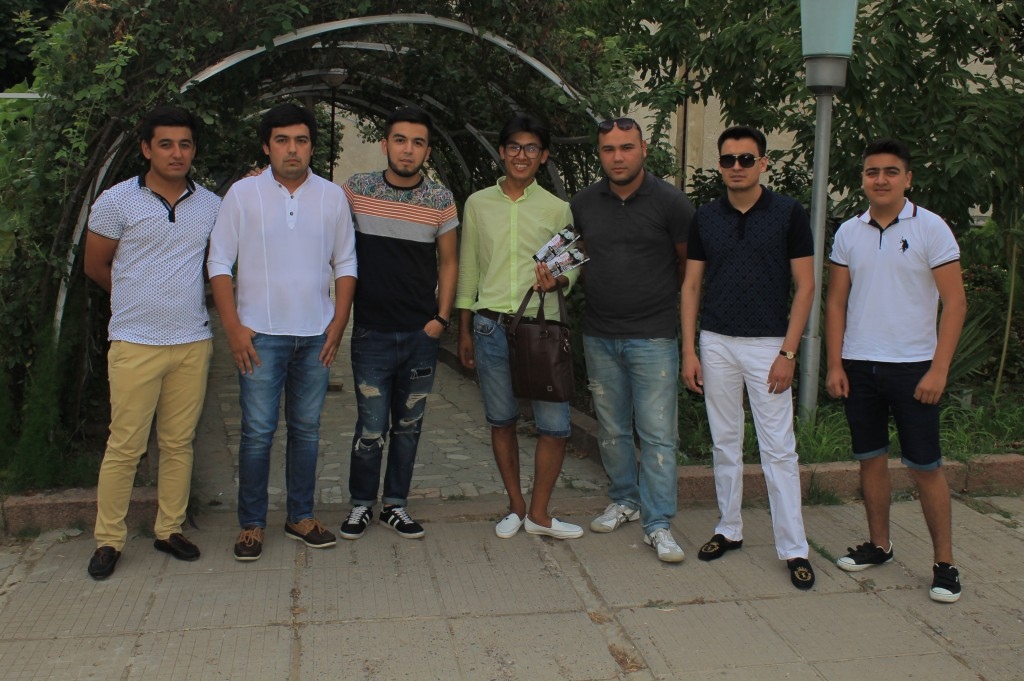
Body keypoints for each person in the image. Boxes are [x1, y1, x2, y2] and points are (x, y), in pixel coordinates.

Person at [208, 103, 357, 562]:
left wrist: (338, 324)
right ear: (266, 146)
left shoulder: (332, 197)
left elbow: (346, 262)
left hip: (315, 335)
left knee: (307, 430)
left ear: (312, 146)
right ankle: (252, 524)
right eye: (282, 140)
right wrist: (233, 329)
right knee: (257, 432)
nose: (292, 149)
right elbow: (219, 262)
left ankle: (301, 517)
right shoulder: (242, 195)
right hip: (259, 337)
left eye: (301, 140)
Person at [826, 138, 967, 603]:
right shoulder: (849, 232)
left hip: (915, 368)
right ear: (863, 179)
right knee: (870, 459)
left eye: (890, 171)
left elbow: (955, 303)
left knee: (925, 466)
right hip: (860, 366)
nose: (880, 179)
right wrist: (835, 364)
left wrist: (939, 370)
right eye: (872, 172)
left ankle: (944, 565)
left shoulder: (931, 228)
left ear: (908, 178)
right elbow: (836, 302)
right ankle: (879, 545)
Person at [84, 105, 221, 579]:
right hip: (135, 342)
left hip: (192, 342)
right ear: (146, 149)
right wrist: (135, 299)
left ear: (194, 150)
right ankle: (108, 540)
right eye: (165, 144)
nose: (176, 153)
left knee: (178, 443)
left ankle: (170, 529)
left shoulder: (211, 205)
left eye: (185, 144)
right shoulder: (117, 201)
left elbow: (219, 266)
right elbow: (95, 265)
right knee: (125, 445)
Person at [680, 126, 816, 589]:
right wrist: (689, 350)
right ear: (719, 165)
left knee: (779, 448)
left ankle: (794, 548)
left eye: (745, 159)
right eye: (728, 159)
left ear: (763, 163)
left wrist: (788, 352)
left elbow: (806, 286)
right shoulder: (705, 217)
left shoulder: (788, 213)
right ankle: (729, 528)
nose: (736, 167)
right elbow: (691, 286)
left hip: (769, 344)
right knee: (725, 441)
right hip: (716, 341)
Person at [570, 117, 694, 563]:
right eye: (608, 149)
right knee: (612, 428)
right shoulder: (583, 203)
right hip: (599, 334)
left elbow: (687, 267)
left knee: (658, 434)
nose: (617, 157)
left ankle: (658, 524)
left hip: (653, 336)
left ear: (643, 148)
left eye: (626, 147)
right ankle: (625, 499)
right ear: (599, 154)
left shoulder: (672, 203)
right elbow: (580, 256)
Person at [456, 114, 583, 540]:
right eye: (514, 147)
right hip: (491, 328)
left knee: (555, 425)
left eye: (531, 148)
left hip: (541, 328)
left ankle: (540, 514)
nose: (522, 155)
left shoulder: (556, 208)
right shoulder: (478, 204)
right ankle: (516, 506)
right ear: (502, 151)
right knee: (501, 420)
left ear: (543, 156)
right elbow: (469, 268)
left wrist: (559, 280)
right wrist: (464, 328)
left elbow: (572, 264)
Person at [339, 106, 458, 540]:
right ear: (385, 144)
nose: (408, 150)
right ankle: (360, 503)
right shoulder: (357, 190)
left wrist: (441, 319)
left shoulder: (440, 200)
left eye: (418, 143)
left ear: (428, 150)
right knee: (371, 427)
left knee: (408, 427)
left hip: (419, 335)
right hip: (371, 332)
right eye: (401, 140)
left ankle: (395, 505)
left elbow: (449, 261)